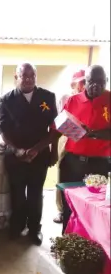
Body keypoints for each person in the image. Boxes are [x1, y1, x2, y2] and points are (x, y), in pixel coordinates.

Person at [28, 65, 110, 234]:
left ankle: (90, 245)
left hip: (98, 165)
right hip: (72, 162)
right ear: (84, 82)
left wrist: (93, 134)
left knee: (94, 207)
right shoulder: (73, 101)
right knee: (69, 205)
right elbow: (57, 129)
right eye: (91, 82)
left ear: (106, 82)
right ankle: (67, 241)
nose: (96, 86)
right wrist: (44, 151)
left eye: (101, 82)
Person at [0, 63, 58, 245]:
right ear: (16, 77)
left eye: (32, 76)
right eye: (24, 76)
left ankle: (34, 229)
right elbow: (3, 130)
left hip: (39, 154)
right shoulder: (6, 100)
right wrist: (17, 150)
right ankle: (17, 226)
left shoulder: (48, 97)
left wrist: (42, 150)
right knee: (17, 193)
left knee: (35, 193)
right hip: (15, 155)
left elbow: (54, 129)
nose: (29, 79)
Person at [53, 69, 86, 224]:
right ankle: (62, 210)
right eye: (82, 82)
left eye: (86, 81)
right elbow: (59, 121)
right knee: (64, 176)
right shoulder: (68, 98)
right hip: (66, 141)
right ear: (74, 84)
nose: (84, 85)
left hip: (85, 145)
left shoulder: (92, 99)